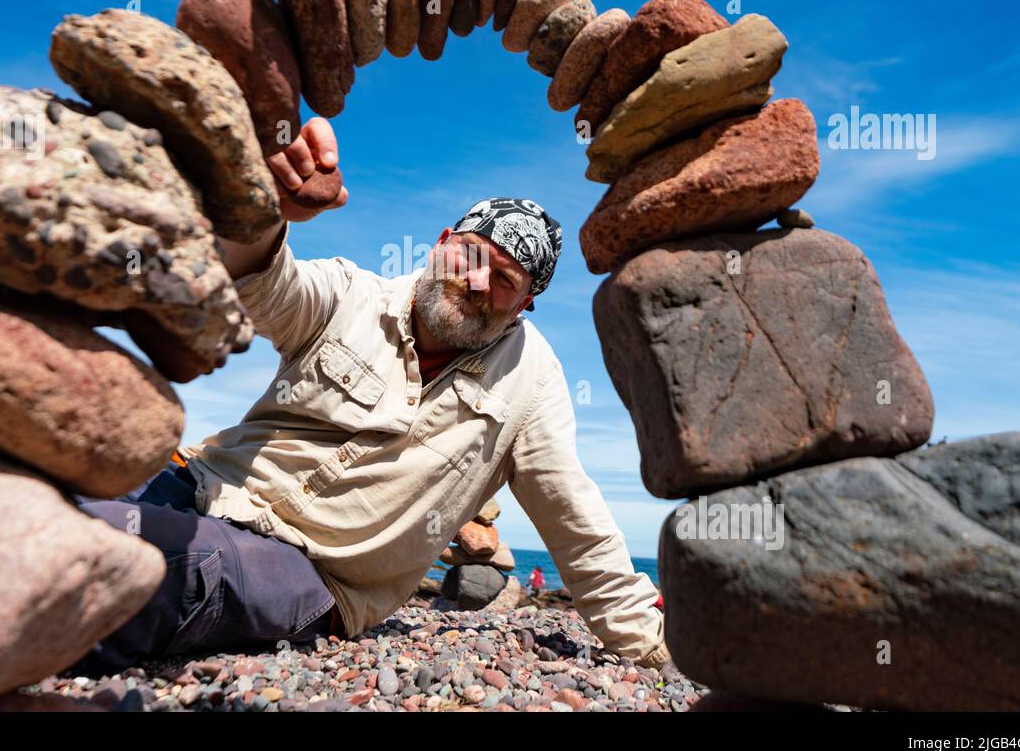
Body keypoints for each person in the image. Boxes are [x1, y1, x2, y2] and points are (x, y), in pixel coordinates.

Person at [72, 116, 670, 672]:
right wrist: (266, 216)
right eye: (473, 256)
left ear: (524, 305)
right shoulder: (352, 293)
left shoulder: (531, 382)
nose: (478, 283)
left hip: (307, 570)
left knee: (138, 561)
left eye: (506, 280)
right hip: (203, 481)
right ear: (443, 242)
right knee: (39, 480)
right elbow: (263, 285)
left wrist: (656, 648)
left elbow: (574, 517)